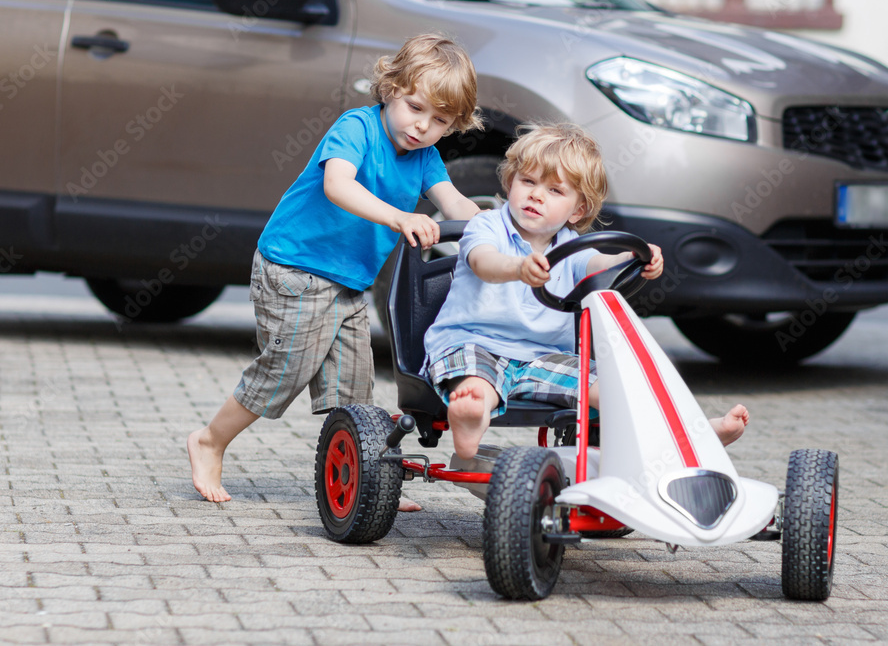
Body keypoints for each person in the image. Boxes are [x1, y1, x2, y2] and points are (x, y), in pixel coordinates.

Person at [188, 33, 485, 503]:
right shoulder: (357, 128)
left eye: (440, 120)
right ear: (390, 89)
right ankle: (208, 441)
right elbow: (337, 185)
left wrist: (500, 232)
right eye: (415, 107)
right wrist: (399, 216)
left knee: (354, 393)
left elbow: (456, 205)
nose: (422, 126)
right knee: (285, 372)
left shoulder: (425, 157)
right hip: (294, 269)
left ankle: (367, 479)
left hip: (348, 283)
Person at [422, 123, 749, 461]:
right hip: (473, 343)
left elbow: (599, 264)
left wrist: (633, 257)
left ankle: (689, 433)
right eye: (529, 181)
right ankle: (470, 422)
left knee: (620, 387)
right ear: (510, 181)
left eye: (554, 190)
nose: (536, 194)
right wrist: (517, 268)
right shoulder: (486, 225)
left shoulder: (571, 247)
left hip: (541, 357)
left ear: (577, 211)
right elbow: (482, 262)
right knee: (476, 387)